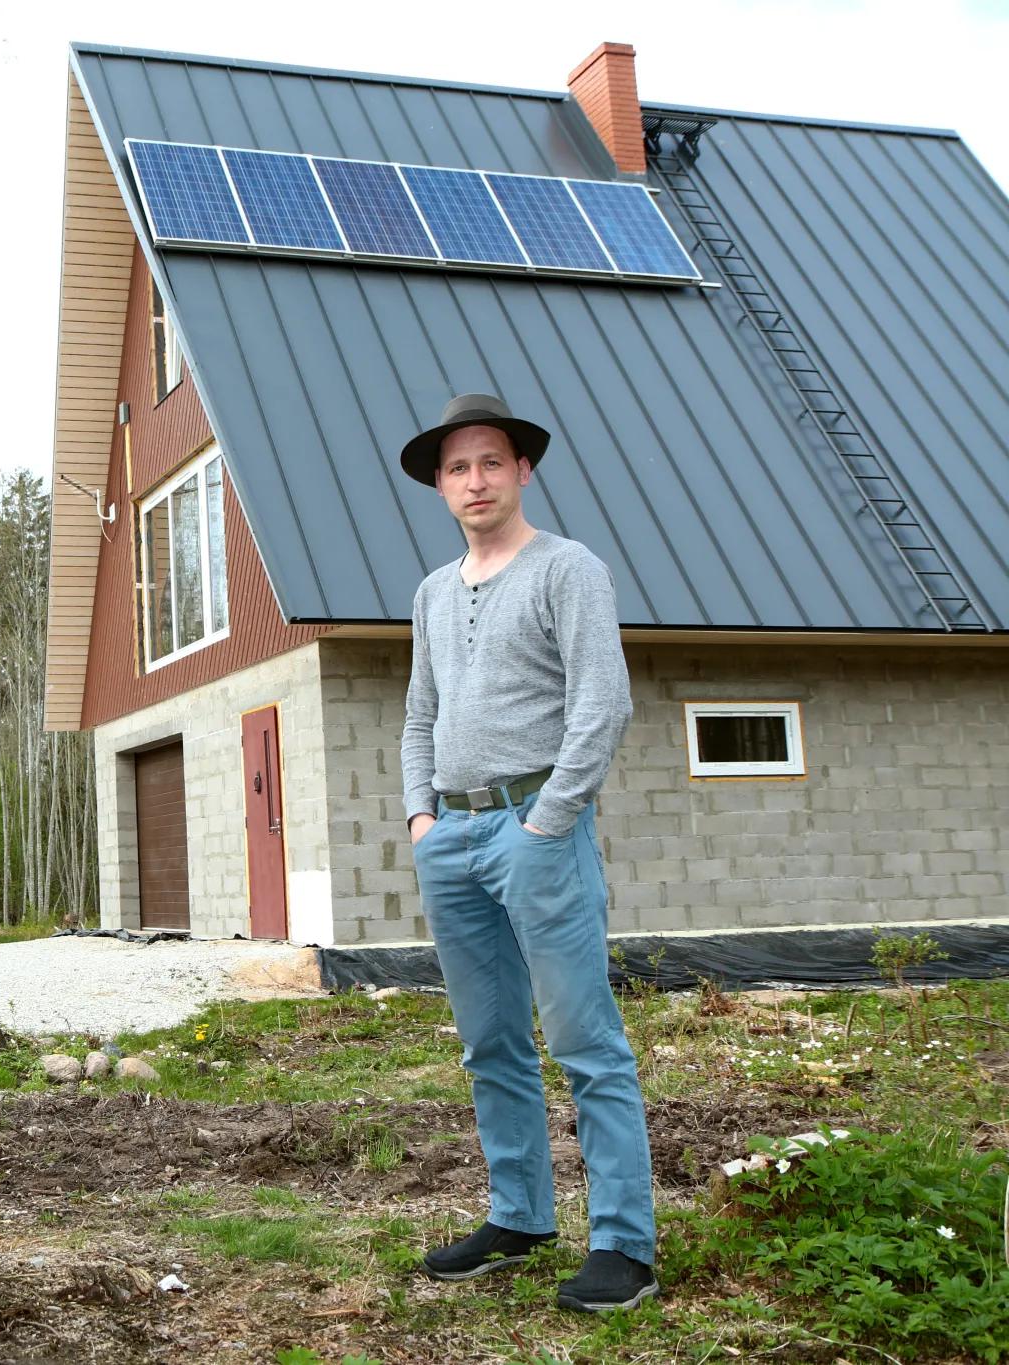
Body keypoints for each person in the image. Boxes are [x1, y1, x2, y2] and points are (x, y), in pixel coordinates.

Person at [396, 392, 655, 1313]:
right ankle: (520, 1215)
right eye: (457, 467)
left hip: (534, 829)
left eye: (491, 463)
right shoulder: (432, 591)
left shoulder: (568, 569)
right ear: (439, 484)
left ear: (523, 471)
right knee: (490, 1043)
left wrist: (547, 819)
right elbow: (419, 714)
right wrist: (421, 817)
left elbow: (603, 701)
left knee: (586, 1039)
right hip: (451, 840)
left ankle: (623, 1241)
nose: (475, 480)